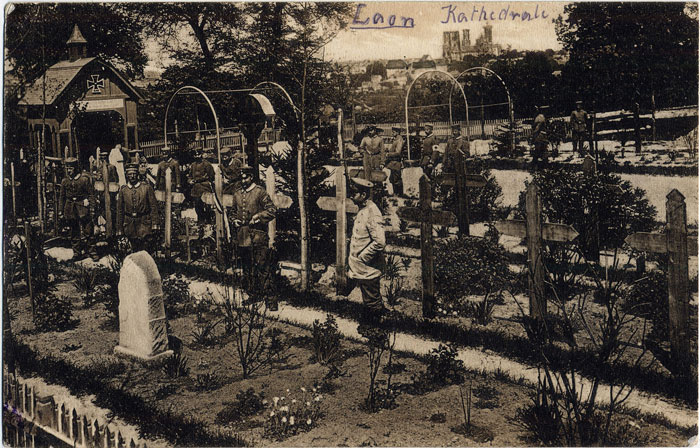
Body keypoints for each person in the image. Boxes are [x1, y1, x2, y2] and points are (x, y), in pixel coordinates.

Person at [229, 165, 278, 309]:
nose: (243, 181)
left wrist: (258, 216)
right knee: (248, 268)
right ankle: (253, 294)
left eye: (246, 178)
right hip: (243, 237)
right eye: (241, 178)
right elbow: (232, 212)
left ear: (251, 177)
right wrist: (234, 220)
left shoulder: (260, 192)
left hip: (258, 236)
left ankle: (271, 299)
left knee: (263, 267)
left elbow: (271, 210)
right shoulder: (237, 193)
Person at [345, 177, 387, 323]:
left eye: (354, 193)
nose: (351, 196)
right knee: (369, 298)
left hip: (368, 267)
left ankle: (374, 330)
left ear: (363, 195)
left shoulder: (372, 212)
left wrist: (363, 256)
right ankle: (374, 324)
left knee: (371, 301)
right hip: (361, 267)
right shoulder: (363, 209)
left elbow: (380, 241)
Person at [58, 157, 97, 260]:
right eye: (67, 168)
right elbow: (62, 197)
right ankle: (77, 253)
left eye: (70, 168)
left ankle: (92, 252)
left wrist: (92, 208)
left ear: (75, 168)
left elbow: (91, 195)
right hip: (70, 208)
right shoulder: (65, 181)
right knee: (74, 232)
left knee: (88, 230)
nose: (68, 170)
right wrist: (60, 211)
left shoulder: (84, 180)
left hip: (83, 207)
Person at [116, 163, 159, 252]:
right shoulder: (123, 190)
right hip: (129, 224)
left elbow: (153, 207)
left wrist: (155, 224)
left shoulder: (146, 188)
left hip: (144, 223)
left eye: (134, 174)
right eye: (130, 174)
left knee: (145, 249)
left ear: (138, 174)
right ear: (126, 175)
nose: (132, 176)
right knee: (134, 249)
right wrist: (119, 228)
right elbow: (120, 210)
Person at [188, 150, 215, 226]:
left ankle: (208, 221)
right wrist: (190, 181)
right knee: (197, 205)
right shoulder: (193, 165)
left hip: (204, 187)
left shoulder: (207, 164)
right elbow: (189, 176)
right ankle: (200, 220)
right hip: (195, 189)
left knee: (206, 205)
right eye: (195, 155)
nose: (197, 156)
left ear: (202, 154)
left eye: (199, 154)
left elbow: (211, 176)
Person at [385, 127, 404, 196]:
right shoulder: (396, 139)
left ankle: (399, 194)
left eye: (393, 132)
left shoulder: (399, 140)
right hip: (393, 162)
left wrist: (388, 154)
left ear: (397, 132)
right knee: (392, 179)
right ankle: (396, 193)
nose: (392, 133)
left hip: (396, 162)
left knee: (396, 179)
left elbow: (398, 152)